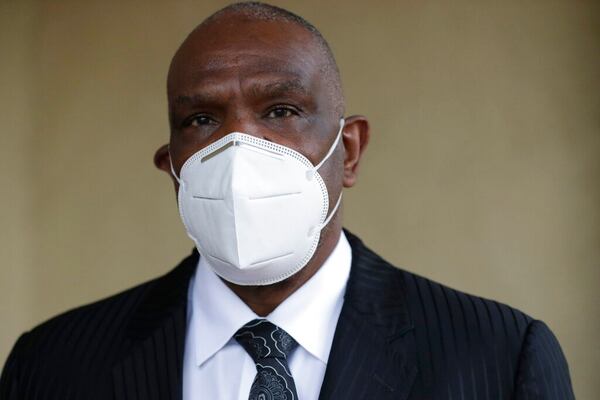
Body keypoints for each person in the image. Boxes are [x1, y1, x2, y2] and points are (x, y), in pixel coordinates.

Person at [0, 2, 575, 400]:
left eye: (281, 111)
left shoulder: (498, 357)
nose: (239, 147)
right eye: (201, 119)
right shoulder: (53, 366)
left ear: (348, 152)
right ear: (171, 168)